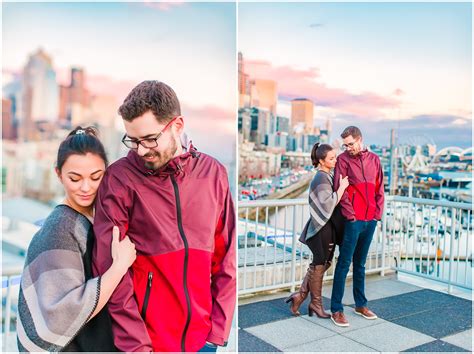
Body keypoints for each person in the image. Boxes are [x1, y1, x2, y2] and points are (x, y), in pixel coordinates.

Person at [92, 81, 236, 352]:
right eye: (133, 141)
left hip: (203, 342)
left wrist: (216, 332)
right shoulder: (120, 180)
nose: (141, 150)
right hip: (146, 344)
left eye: (149, 139)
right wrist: (137, 346)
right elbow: (110, 271)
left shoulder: (214, 174)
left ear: (177, 126)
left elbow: (226, 258)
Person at [17, 127, 137, 352]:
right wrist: (119, 267)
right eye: (75, 178)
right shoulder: (61, 226)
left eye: (96, 177)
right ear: (58, 174)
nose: (86, 188)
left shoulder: (97, 217)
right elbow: (61, 314)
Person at [285, 143, 349, 318]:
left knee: (321, 264)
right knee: (320, 264)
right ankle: (315, 304)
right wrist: (342, 188)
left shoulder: (325, 175)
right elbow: (327, 204)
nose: (335, 161)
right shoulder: (321, 178)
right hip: (321, 229)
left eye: (335, 157)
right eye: (331, 158)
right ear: (321, 161)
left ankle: (300, 296)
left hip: (323, 229)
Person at [330, 126, 384, 327]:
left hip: (370, 220)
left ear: (360, 140)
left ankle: (361, 305)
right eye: (345, 145)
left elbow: (380, 188)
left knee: (360, 264)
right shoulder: (343, 161)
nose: (348, 148)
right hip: (353, 221)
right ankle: (336, 309)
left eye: (351, 144)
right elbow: (340, 190)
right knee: (344, 264)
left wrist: (376, 215)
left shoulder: (374, 160)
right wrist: (351, 216)